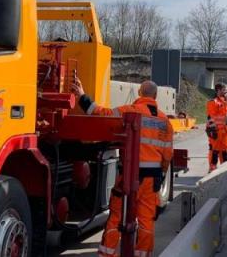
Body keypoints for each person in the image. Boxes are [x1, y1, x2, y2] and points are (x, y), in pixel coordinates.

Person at [72, 76, 174, 257]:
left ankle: (107, 253)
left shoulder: (130, 111)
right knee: (146, 220)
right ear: (156, 96)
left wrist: (81, 96)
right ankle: (142, 254)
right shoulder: (165, 122)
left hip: (130, 175)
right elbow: (167, 154)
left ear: (140, 93)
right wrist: (161, 174)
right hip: (152, 179)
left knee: (117, 215)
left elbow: (101, 114)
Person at [206, 83, 227, 172]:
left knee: (223, 150)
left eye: (226, 89)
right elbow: (211, 117)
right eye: (224, 90)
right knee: (214, 150)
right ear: (218, 90)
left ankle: (224, 168)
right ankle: (212, 168)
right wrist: (212, 130)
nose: (226, 91)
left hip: (223, 132)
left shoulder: (225, 102)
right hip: (215, 131)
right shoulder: (213, 102)